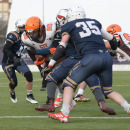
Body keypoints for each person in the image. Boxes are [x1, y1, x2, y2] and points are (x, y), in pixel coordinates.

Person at [42, 5, 130, 123]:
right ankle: (128, 107)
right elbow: (113, 40)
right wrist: (113, 52)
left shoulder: (69, 26)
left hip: (90, 58)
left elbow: (61, 47)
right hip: (106, 58)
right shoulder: (94, 22)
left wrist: (50, 65)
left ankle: (64, 114)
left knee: (68, 84)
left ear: (70, 16)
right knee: (108, 91)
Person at [2, 18, 38, 104]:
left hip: (18, 61)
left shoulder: (27, 37)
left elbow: (31, 50)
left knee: (29, 75)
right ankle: (12, 91)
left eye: (24, 27)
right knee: (14, 83)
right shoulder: (13, 35)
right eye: (21, 27)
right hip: (8, 62)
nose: (23, 29)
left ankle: (29, 95)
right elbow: (5, 49)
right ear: (18, 27)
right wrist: (14, 57)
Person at [21, 16, 57, 91]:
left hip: (59, 55)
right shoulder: (26, 39)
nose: (31, 35)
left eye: (34, 32)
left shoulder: (51, 30)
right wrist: (39, 67)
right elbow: (30, 52)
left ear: (40, 28)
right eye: (29, 32)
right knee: (50, 77)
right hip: (47, 58)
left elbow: (55, 46)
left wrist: (37, 52)